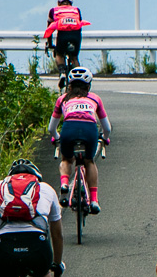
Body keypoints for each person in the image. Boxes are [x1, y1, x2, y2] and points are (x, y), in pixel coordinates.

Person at [48, 66, 111, 213]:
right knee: (89, 161)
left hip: (69, 129)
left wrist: (57, 138)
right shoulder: (95, 99)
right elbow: (106, 128)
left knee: (67, 159)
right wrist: (105, 138)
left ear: (69, 85)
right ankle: (94, 200)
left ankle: (64, 184)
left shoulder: (62, 99)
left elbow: (51, 128)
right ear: (88, 85)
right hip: (90, 130)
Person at [43, 0, 90, 87]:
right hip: (76, 34)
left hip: (63, 35)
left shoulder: (54, 10)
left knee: (59, 54)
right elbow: (79, 23)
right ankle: (79, 77)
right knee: (75, 57)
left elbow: (49, 28)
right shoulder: (76, 10)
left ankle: (62, 73)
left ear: (59, 3)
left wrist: (50, 44)